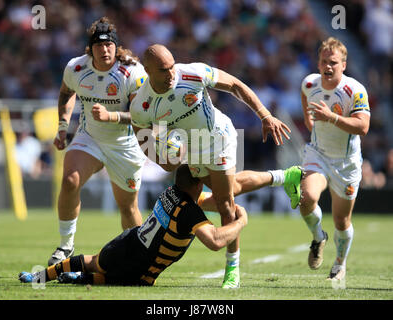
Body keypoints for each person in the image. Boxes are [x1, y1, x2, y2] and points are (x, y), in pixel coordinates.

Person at [129, 44, 303, 288]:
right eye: (163, 70)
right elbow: (144, 140)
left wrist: (265, 115)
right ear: (147, 70)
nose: (171, 74)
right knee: (229, 189)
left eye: (171, 66)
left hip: (218, 137)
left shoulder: (192, 73)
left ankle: (232, 268)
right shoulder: (141, 105)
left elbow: (235, 85)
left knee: (224, 203)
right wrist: (164, 162)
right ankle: (285, 176)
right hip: (191, 149)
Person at [18, 165, 248, 286]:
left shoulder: (172, 192)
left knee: (93, 262)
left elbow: (208, 202)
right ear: (198, 184)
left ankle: (41, 278)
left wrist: (224, 203)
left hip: (127, 244)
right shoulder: (189, 211)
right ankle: (76, 278)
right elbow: (215, 241)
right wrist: (241, 221)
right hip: (143, 271)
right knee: (115, 277)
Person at [48, 17, 148, 266]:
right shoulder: (76, 68)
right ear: (90, 48)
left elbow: (142, 117)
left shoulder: (132, 72)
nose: (105, 50)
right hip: (89, 138)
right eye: (99, 45)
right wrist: (62, 127)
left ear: (116, 47)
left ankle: (138, 261)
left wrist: (111, 116)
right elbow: (65, 93)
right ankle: (65, 245)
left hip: (124, 145)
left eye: (109, 45)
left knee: (128, 208)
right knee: (70, 180)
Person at [298, 37, 371, 280]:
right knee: (306, 198)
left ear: (344, 64)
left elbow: (363, 127)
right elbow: (304, 98)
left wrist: (332, 118)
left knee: (341, 220)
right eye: (323, 62)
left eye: (333, 62)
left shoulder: (355, 90)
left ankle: (340, 263)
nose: (328, 67)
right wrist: (310, 122)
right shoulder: (309, 84)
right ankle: (318, 237)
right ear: (318, 64)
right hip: (318, 154)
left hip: (346, 162)